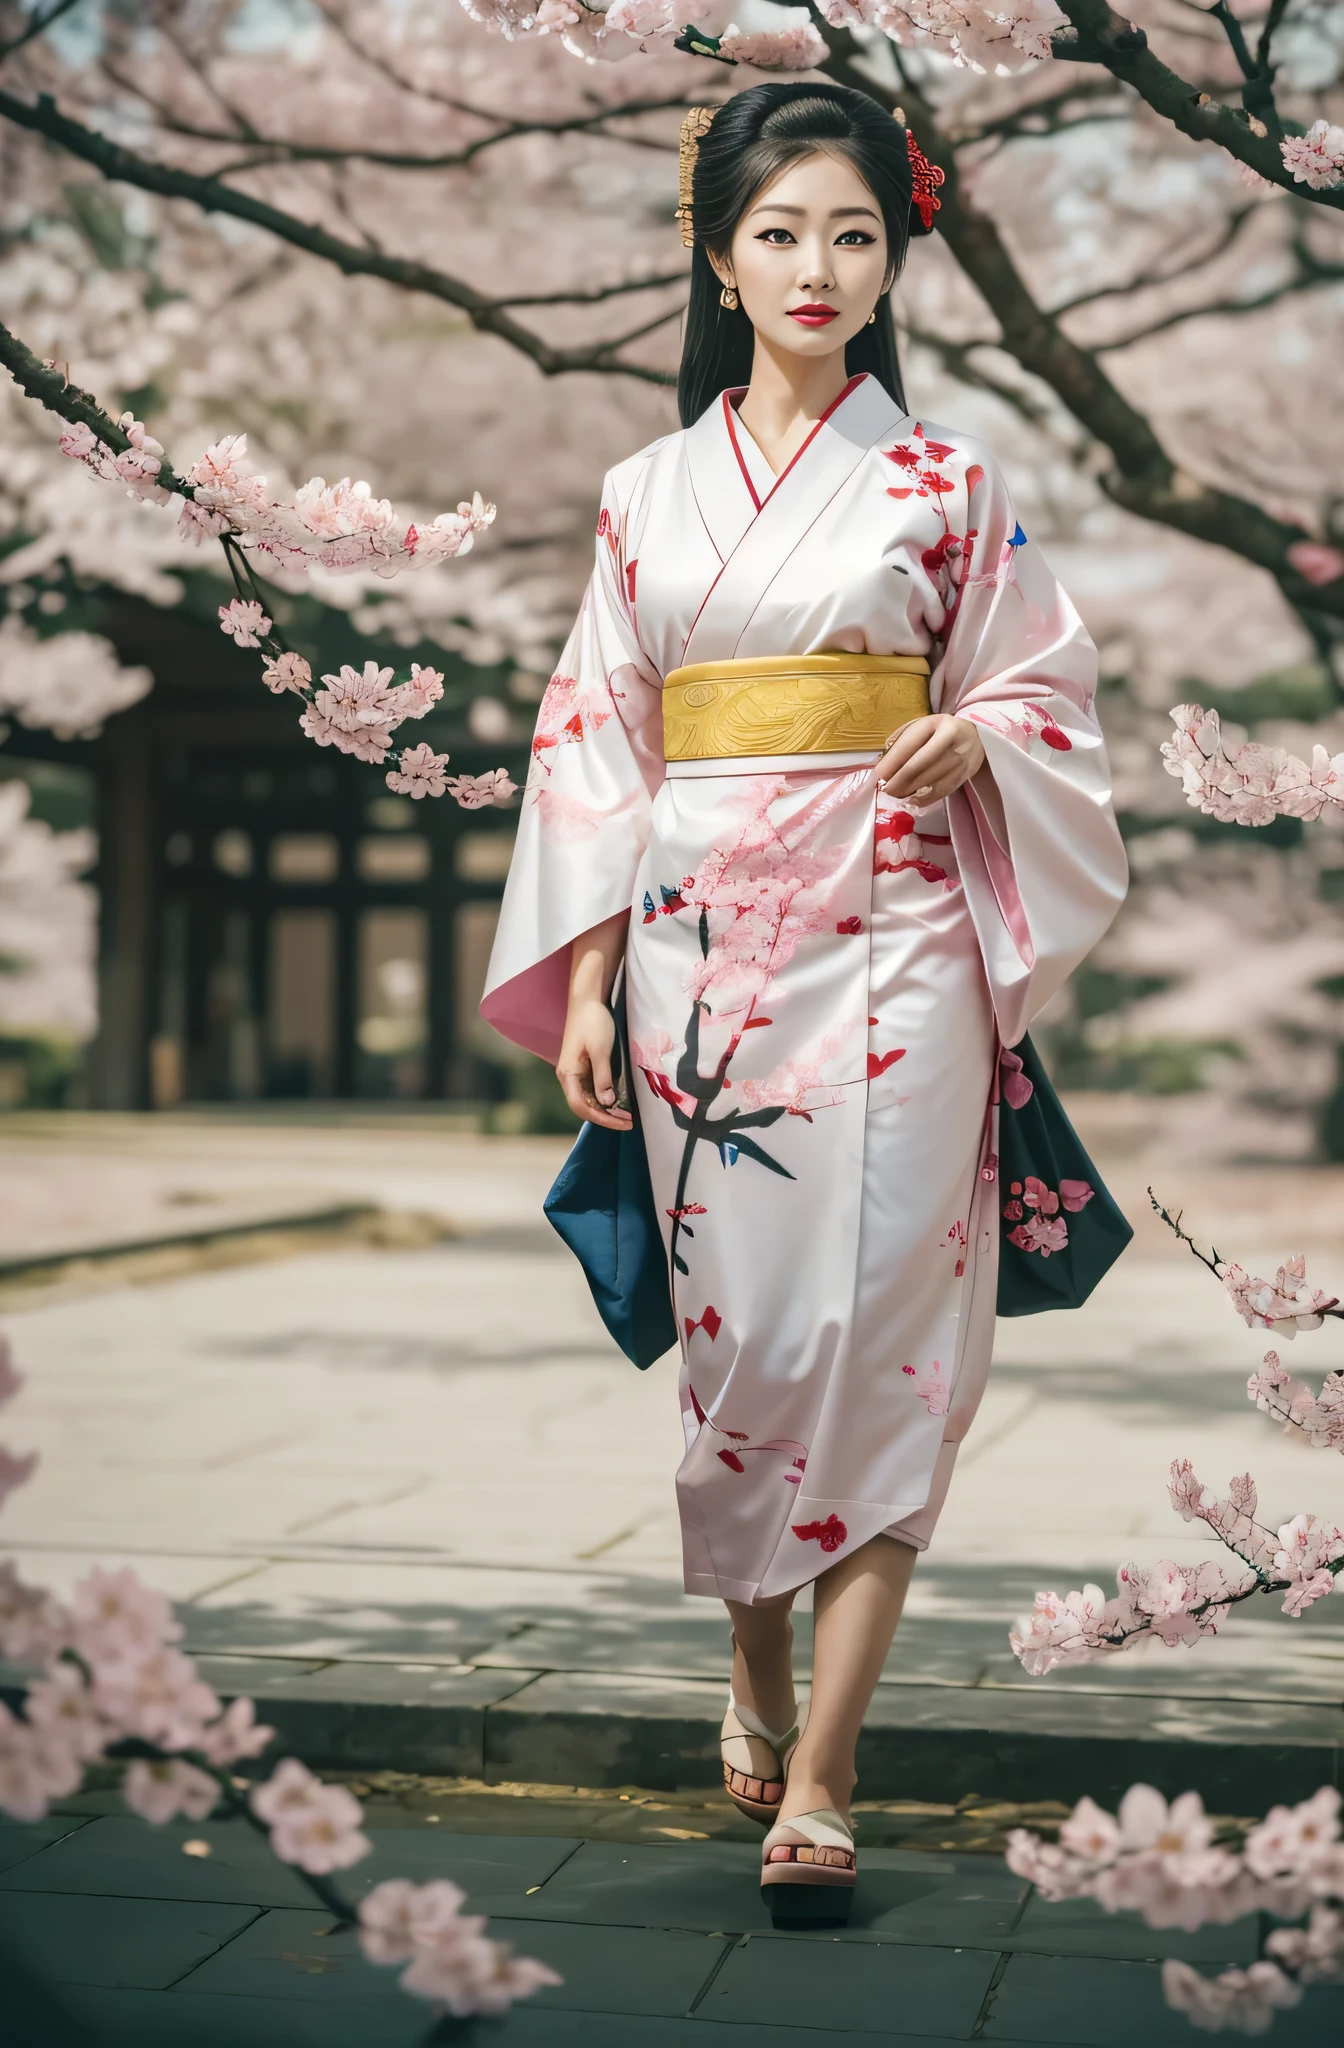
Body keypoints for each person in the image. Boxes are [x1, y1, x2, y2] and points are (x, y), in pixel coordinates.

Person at [483, 81, 1126, 1918]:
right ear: (719, 257)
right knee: (748, 1346)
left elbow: (1047, 693)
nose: (817, 266)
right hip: (701, 954)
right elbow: (594, 744)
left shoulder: (949, 481)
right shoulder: (642, 494)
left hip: (904, 939)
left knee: (892, 1340)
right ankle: (753, 1659)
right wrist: (594, 973)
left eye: (854, 233)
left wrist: (975, 733)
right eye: (780, 233)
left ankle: (827, 1771)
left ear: (895, 258)